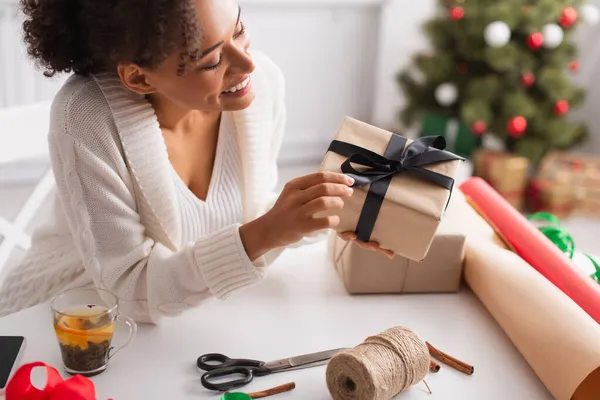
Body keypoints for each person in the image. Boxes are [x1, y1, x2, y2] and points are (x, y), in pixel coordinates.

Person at [0, 0, 392, 322]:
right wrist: (270, 231)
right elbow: (129, 290)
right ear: (139, 79)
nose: (247, 64)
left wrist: (328, 212)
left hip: (192, 319)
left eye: (238, 30)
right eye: (211, 61)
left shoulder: (263, 86)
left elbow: (247, 217)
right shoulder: (86, 118)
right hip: (70, 319)